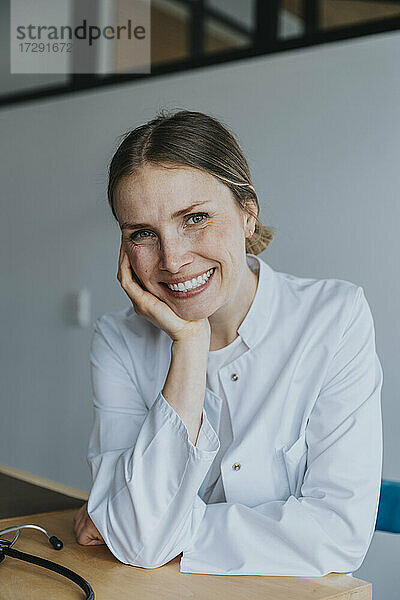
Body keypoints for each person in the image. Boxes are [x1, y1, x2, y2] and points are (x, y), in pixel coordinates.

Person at [73, 109, 383, 577]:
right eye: (142, 234)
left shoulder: (335, 318)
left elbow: (339, 534)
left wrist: (158, 529)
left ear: (246, 212)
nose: (173, 260)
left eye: (195, 218)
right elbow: (138, 538)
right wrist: (190, 343)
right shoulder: (117, 341)